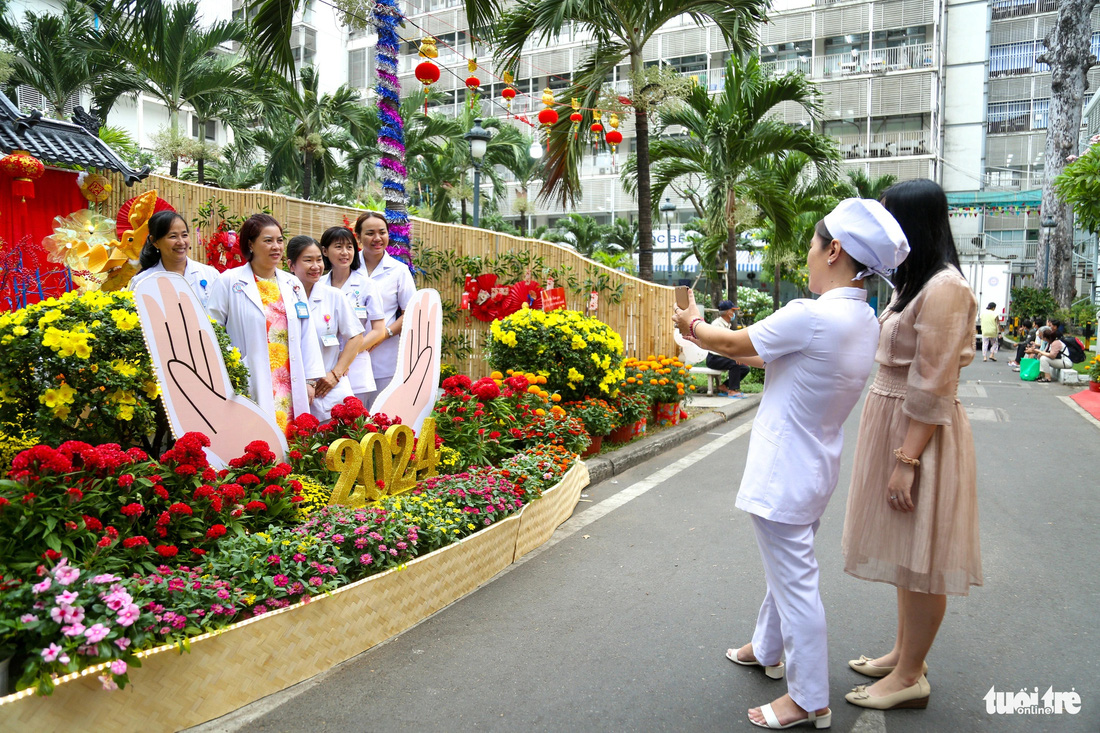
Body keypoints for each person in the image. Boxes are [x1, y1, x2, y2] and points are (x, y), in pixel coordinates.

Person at [674, 199, 909, 730]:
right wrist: (710, 337)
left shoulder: (811, 315)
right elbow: (765, 354)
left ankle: (808, 698)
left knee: (796, 581)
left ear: (835, 249)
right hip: (815, 466)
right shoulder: (862, 318)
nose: (806, 254)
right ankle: (766, 647)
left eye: (811, 243)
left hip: (784, 472)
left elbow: (732, 341)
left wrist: (694, 323)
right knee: (787, 569)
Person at [841, 179, 980, 712]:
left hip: (918, 437)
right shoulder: (914, 282)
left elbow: (934, 382)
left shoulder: (944, 288)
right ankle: (903, 654)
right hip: (899, 430)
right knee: (906, 549)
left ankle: (911, 676)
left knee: (923, 556)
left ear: (913, 223)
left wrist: (906, 460)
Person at [207, 214, 325, 432]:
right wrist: (232, 368)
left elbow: (307, 334)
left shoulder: (293, 284)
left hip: (289, 382)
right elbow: (212, 330)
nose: (276, 247)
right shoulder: (229, 281)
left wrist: (310, 381)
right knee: (254, 437)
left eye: (279, 240)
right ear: (250, 244)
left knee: (291, 438)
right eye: (268, 240)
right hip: (250, 376)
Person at [286, 235, 367, 420]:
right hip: (293, 389)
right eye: (308, 260)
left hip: (330, 389)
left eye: (319, 260)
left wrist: (335, 374)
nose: (316, 266)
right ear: (291, 265)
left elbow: (356, 337)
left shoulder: (334, 296)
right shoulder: (282, 297)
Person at [352, 211, 416, 407]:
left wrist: (385, 334)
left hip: (385, 356)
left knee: (381, 412)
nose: (377, 238)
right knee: (352, 414)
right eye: (370, 233)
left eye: (382, 232)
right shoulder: (348, 268)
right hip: (350, 355)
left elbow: (411, 312)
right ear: (358, 236)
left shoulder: (399, 271)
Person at [319, 225, 386, 407]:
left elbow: (379, 331)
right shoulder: (319, 285)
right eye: (338, 247)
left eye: (349, 247)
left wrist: (348, 355)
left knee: (354, 425)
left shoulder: (366, 285)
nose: (345, 253)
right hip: (325, 366)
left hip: (356, 368)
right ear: (325, 251)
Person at [131, 210, 220, 308]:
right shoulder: (142, 282)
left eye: (184, 235)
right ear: (154, 241)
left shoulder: (211, 275)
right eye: (173, 236)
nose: (181, 242)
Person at [704, 299, 751, 397]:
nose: (734, 313)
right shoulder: (717, 325)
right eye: (732, 311)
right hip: (714, 358)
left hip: (720, 357)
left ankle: (724, 386)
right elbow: (720, 347)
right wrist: (733, 357)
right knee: (734, 363)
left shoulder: (725, 324)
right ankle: (732, 391)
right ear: (727, 312)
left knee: (745, 368)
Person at [1025, 319, 1069, 383]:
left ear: (1046, 337)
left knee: (1043, 358)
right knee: (1040, 356)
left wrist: (1039, 352)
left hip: (1065, 362)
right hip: (1059, 360)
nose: (1042, 338)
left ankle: (1047, 378)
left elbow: (1052, 355)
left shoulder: (1055, 343)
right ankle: (1039, 374)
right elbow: (1045, 351)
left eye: (1043, 337)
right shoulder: (1049, 343)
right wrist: (1039, 353)